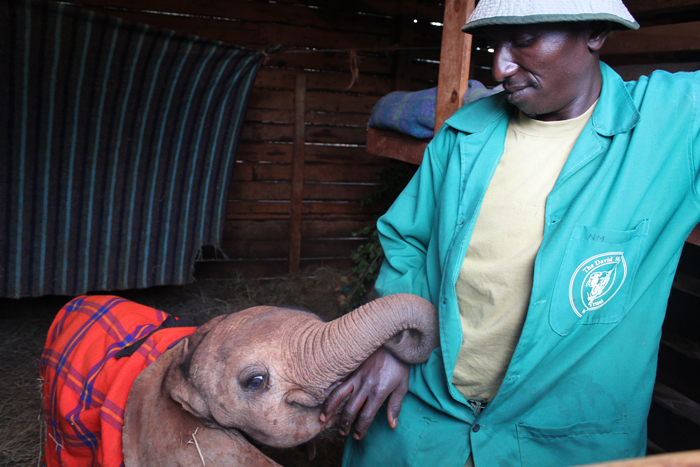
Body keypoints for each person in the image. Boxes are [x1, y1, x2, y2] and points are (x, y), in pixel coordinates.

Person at [320, 1, 700, 466]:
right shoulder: (464, 135)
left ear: (596, 32)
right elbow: (410, 242)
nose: (499, 67)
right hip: (425, 416)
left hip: (565, 441)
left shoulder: (673, 125)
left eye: (522, 40)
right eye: (494, 43)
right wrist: (398, 345)